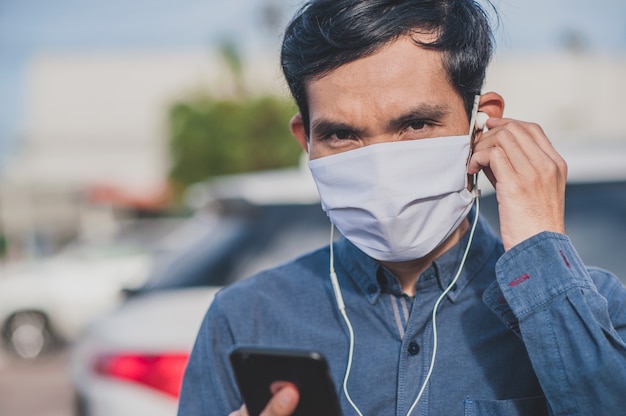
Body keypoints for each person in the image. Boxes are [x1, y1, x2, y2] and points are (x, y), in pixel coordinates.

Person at [178, 0, 626, 415]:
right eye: (341, 135)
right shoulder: (245, 317)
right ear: (306, 141)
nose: (380, 169)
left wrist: (539, 245)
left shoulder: (598, 309)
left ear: (480, 125)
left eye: (414, 124)